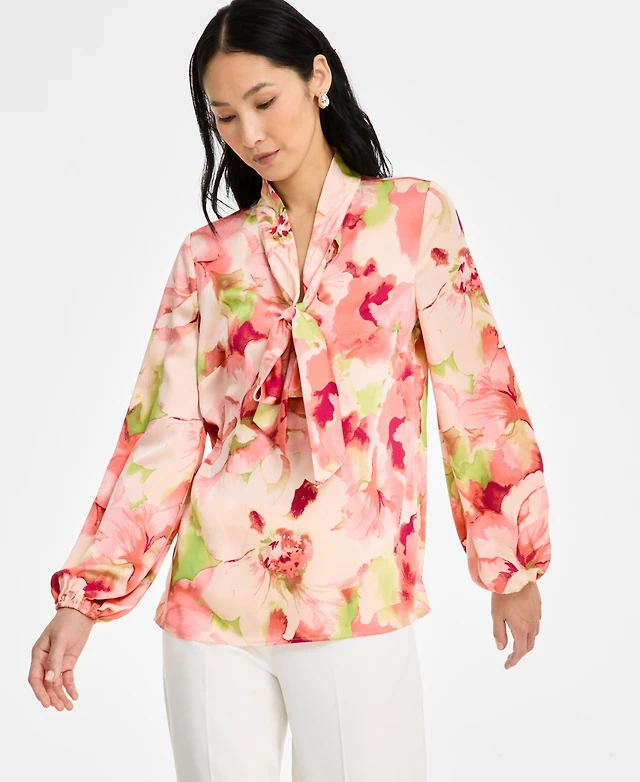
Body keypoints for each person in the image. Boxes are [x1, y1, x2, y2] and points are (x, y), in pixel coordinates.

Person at [28, 0, 552, 779]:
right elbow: (163, 434)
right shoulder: (209, 257)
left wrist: (511, 566)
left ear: (318, 77)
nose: (250, 133)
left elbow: (475, 393)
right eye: (225, 117)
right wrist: (84, 600)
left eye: (264, 101)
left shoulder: (413, 218)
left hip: (357, 594)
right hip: (212, 601)